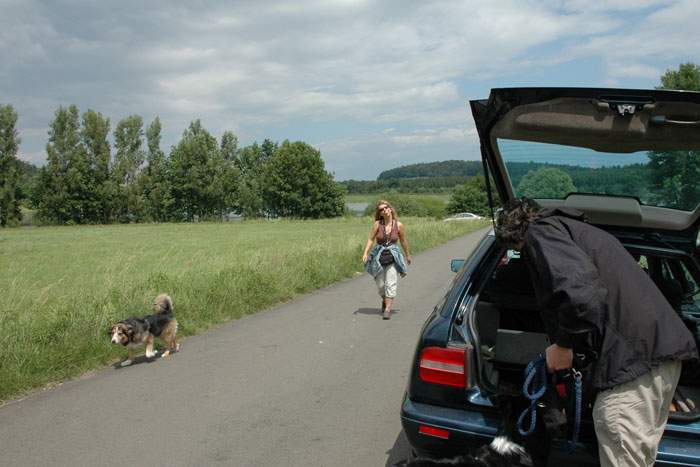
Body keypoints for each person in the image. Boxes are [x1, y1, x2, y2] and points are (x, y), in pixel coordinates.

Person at [495, 197, 698, 467]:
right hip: (657, 359)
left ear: (513, 234)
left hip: (632, 365)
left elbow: (582, 297)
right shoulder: (577, 232)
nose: (524, 255)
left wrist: (564, 346)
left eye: (519, 251)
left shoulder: (542, 232)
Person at [362, 200, 412, 319]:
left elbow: (403, 241)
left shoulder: (399, 225)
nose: (384, 210)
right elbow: (371, 239)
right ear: (380, 213)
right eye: (381, 209)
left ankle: (388, 309)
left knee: (391, 282)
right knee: (380, 285)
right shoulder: (377, 225)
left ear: (390, 209)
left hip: (393, 256)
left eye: (386, 207)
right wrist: (365, 253)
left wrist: (407, 255)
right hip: (378, 256)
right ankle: (385, 300)